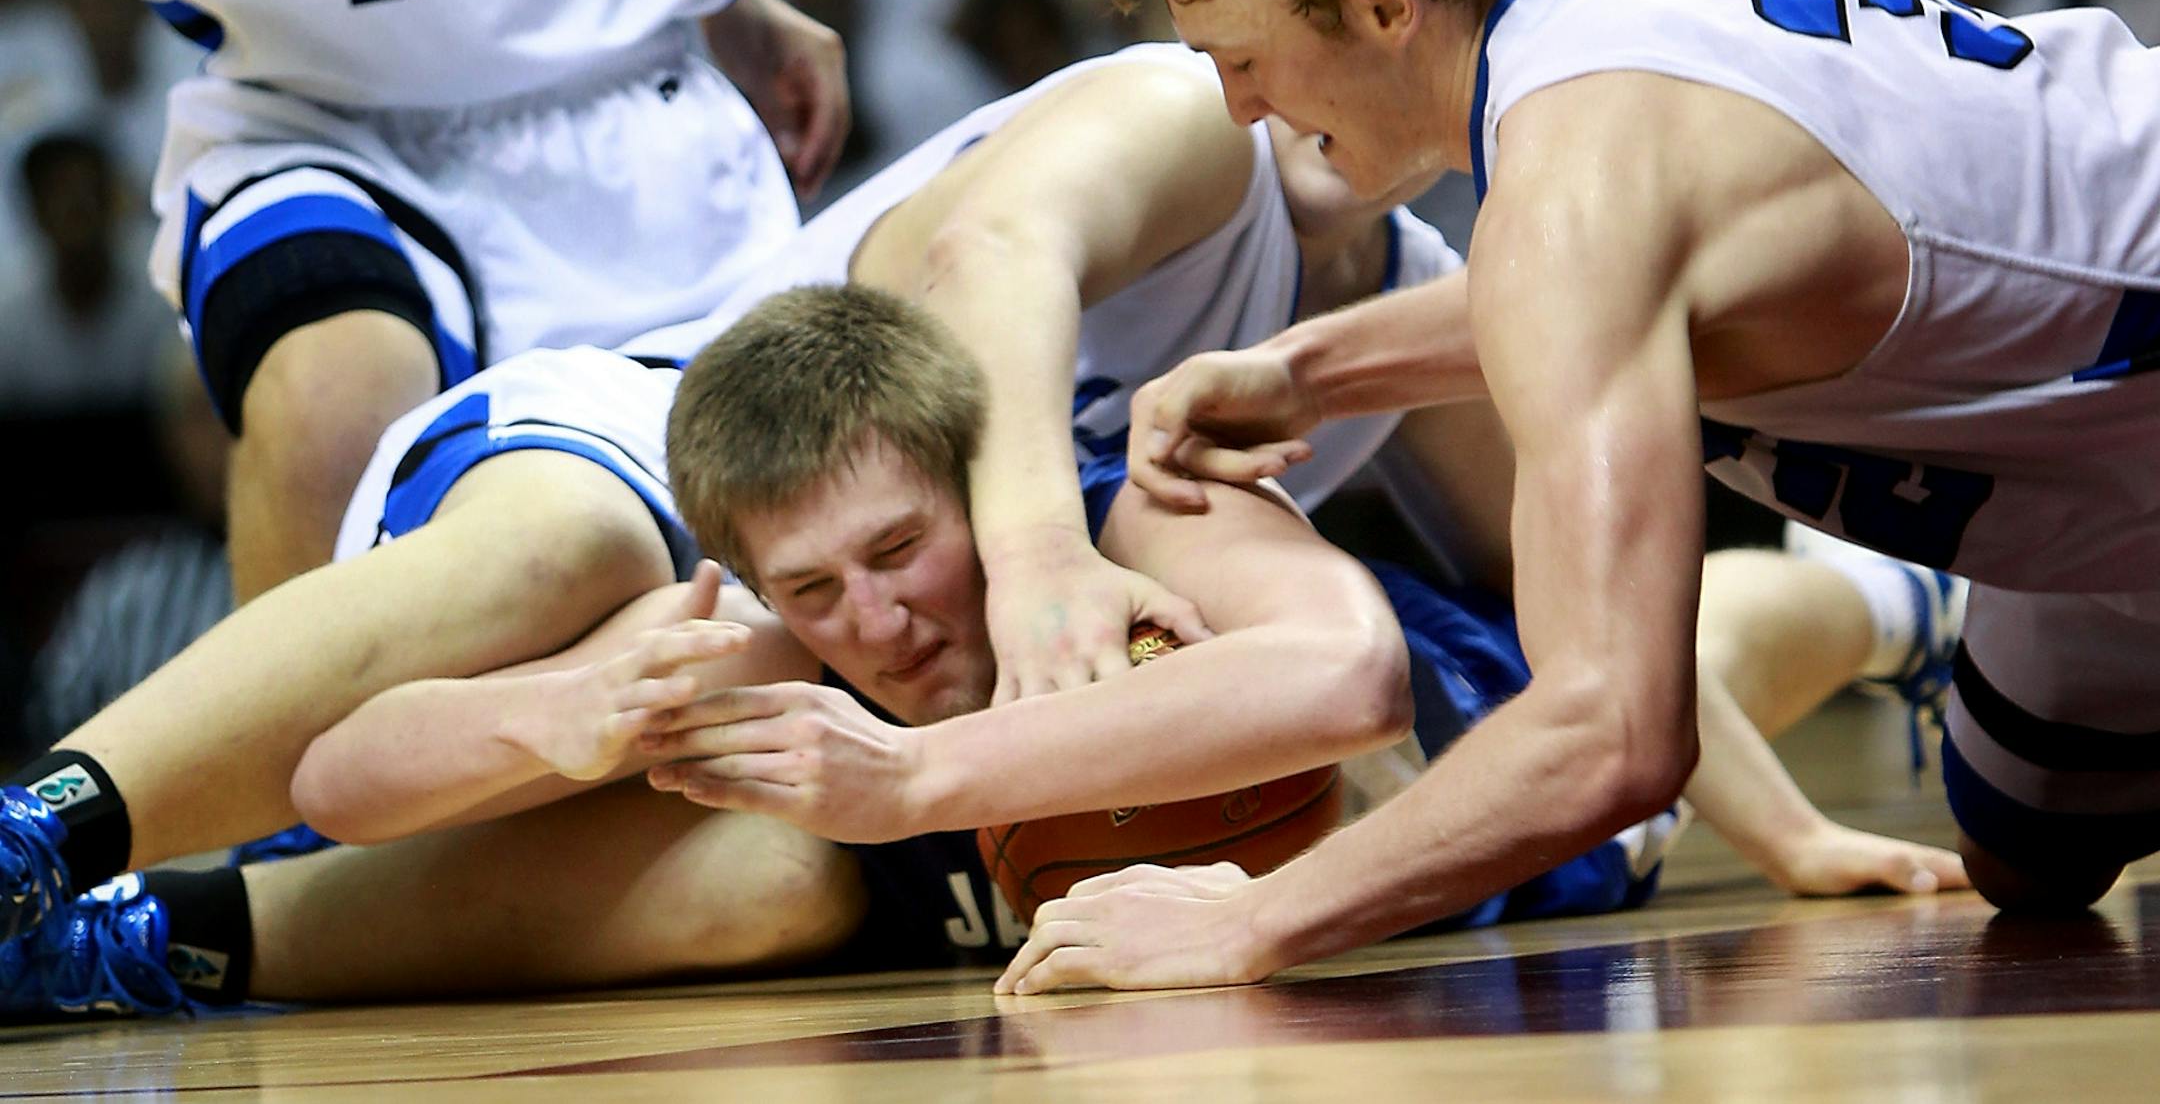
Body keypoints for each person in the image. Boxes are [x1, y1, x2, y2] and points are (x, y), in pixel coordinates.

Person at [1000, 0, 2160, 994]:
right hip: (2097, 460)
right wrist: (1316, 369)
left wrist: (1246, 921)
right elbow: (1665, 288)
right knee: (2022, 859)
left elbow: (1613, 734)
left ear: (1379, 1)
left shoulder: (1571, 198)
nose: (1242, 106)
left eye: (1243, 56)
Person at [3, 284, 1963, 1017]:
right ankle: (137, 935)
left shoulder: (1138, 499)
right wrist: (549, 711)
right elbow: (337, 786)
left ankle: (1911, 595)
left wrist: (923, 771)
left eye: (901, 551)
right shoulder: (783, 626)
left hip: (1486, 765)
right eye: (818, 584)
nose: (882, 620)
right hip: (1010, 884)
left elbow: (1349, 682)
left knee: (1728, 633)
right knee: (743, 859)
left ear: (982, 482)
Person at [0, 0, 854, 943]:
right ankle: (232, 871)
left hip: (617, 91)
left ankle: (310, 907)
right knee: (333, 392)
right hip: (317, 120)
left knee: (736, 618)